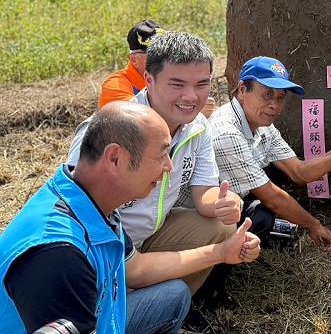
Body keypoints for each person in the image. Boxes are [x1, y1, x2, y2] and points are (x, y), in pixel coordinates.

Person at [0, 102, 261, 334]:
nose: (169, 166)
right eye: (161, 155)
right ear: (115, 158)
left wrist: (222, 252)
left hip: (100, 315)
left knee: (175, 295)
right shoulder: (60, 255)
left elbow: (136, 270)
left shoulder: (90, 201)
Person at [67, 31, 241, 294]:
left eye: (202, 84)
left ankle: (168, 302)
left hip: (152, 234)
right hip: (104, 244)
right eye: (177, 84)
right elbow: (75, 209)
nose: (191, 97)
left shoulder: (198, 127)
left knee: (221, 225)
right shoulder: (111, 129)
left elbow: (204, 192)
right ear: (149, 79)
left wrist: (224, 203)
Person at [211, 56, 331, 250]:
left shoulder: (263, 125)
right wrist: (314, 224)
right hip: (208, 215)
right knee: (262, 216)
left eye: (280, 97)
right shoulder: (227, 132)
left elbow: (299, 172)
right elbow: (272, 198)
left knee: (278, 174)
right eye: (267, 95)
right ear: (242, 90)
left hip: (235, 198)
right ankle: (223, 263)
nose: (274, 105)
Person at [99, 20, 216, 117]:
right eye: (152, 54)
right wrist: (191, 111)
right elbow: (134, 119)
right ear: (134, 59)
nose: (162, 58)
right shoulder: (115, 85)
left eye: (167, 53)